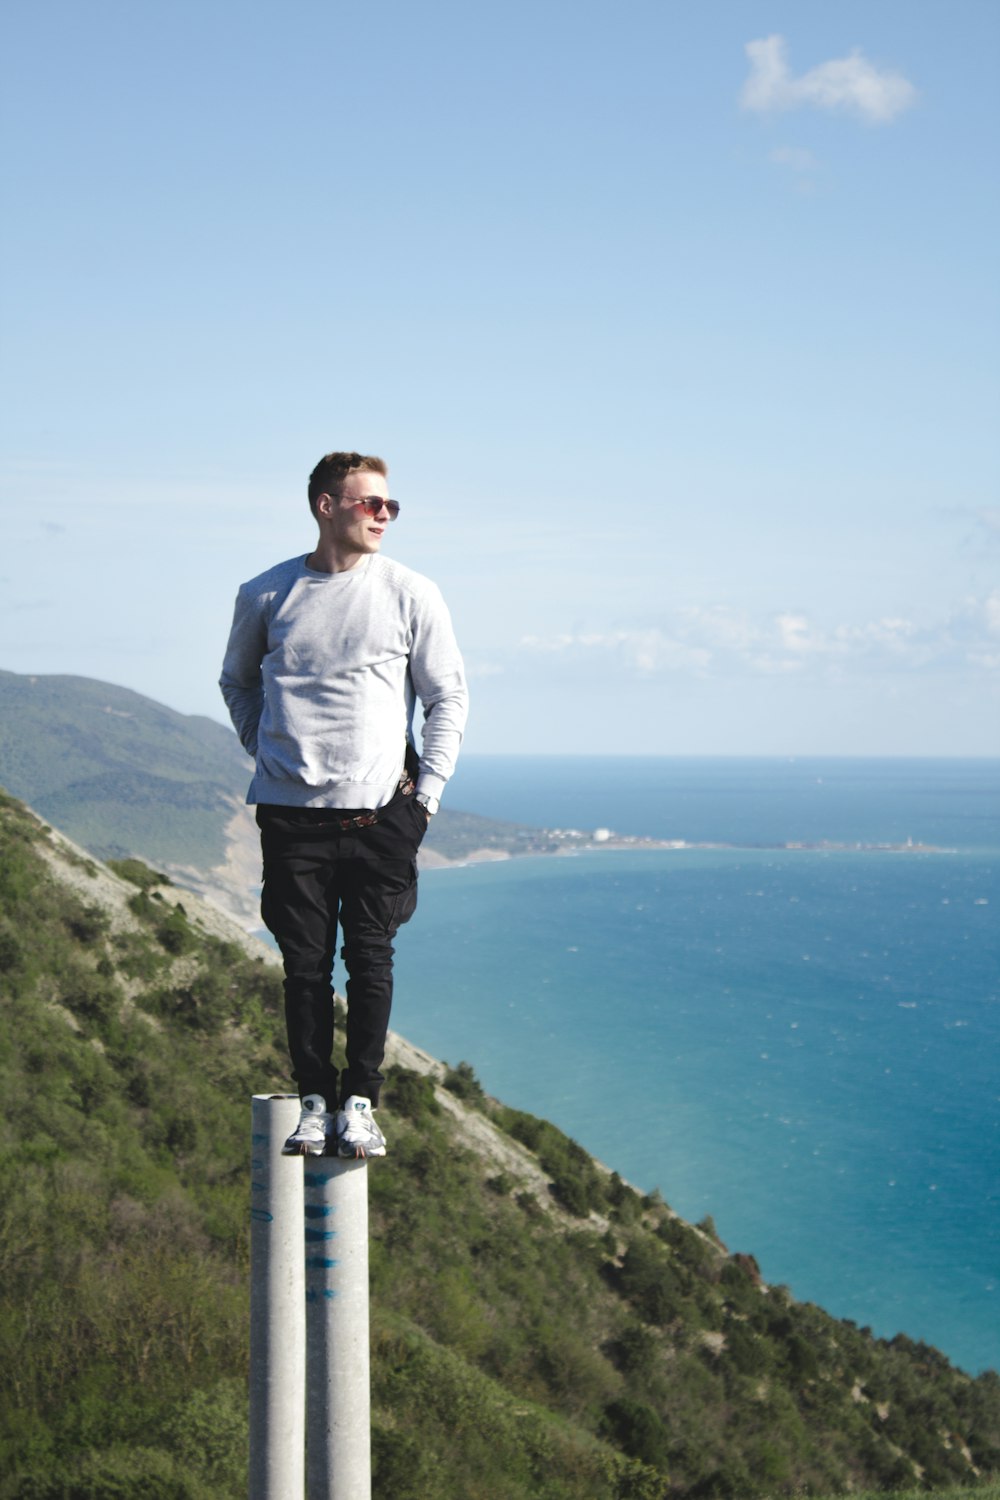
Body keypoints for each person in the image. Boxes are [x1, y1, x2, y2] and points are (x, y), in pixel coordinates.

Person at [220, 451, 468, 1158]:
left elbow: (448, 697)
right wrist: (267, 750)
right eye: (371, 504)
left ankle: (360, 1099)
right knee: (302, 966)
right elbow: (236, 682)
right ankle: (312, 1101)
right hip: (290, 819)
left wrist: (428, 798)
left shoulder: (411, 592)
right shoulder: (267, 594)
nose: (384, 515)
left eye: (390, 505)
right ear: (326, 506)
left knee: (370, 959)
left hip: (382, 817)